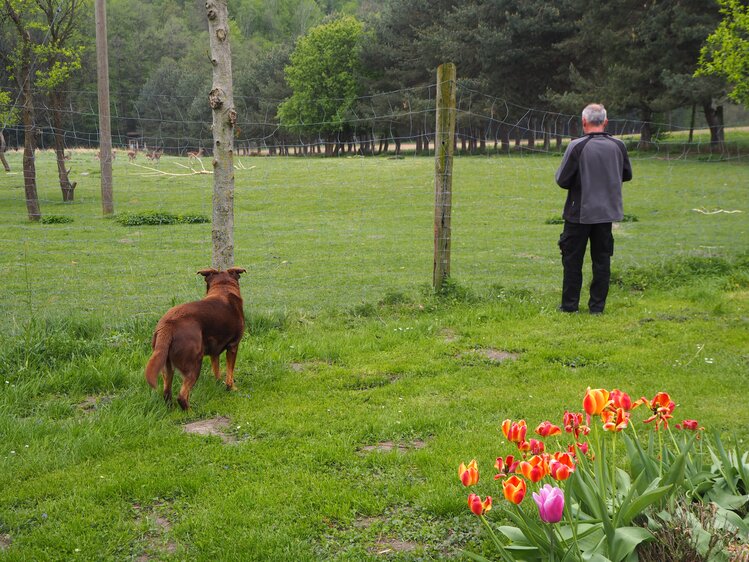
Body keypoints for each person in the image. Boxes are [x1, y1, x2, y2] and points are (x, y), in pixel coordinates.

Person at [555, 103, 633, 314]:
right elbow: (626, 175)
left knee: (572, 260)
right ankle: (597, 307)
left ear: (584, 122)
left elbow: (562, 180)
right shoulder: (618, 146)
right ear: (605, 122)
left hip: (579, 213)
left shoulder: (577, 146)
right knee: (602, 260)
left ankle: (570, 306)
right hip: (606, 213)